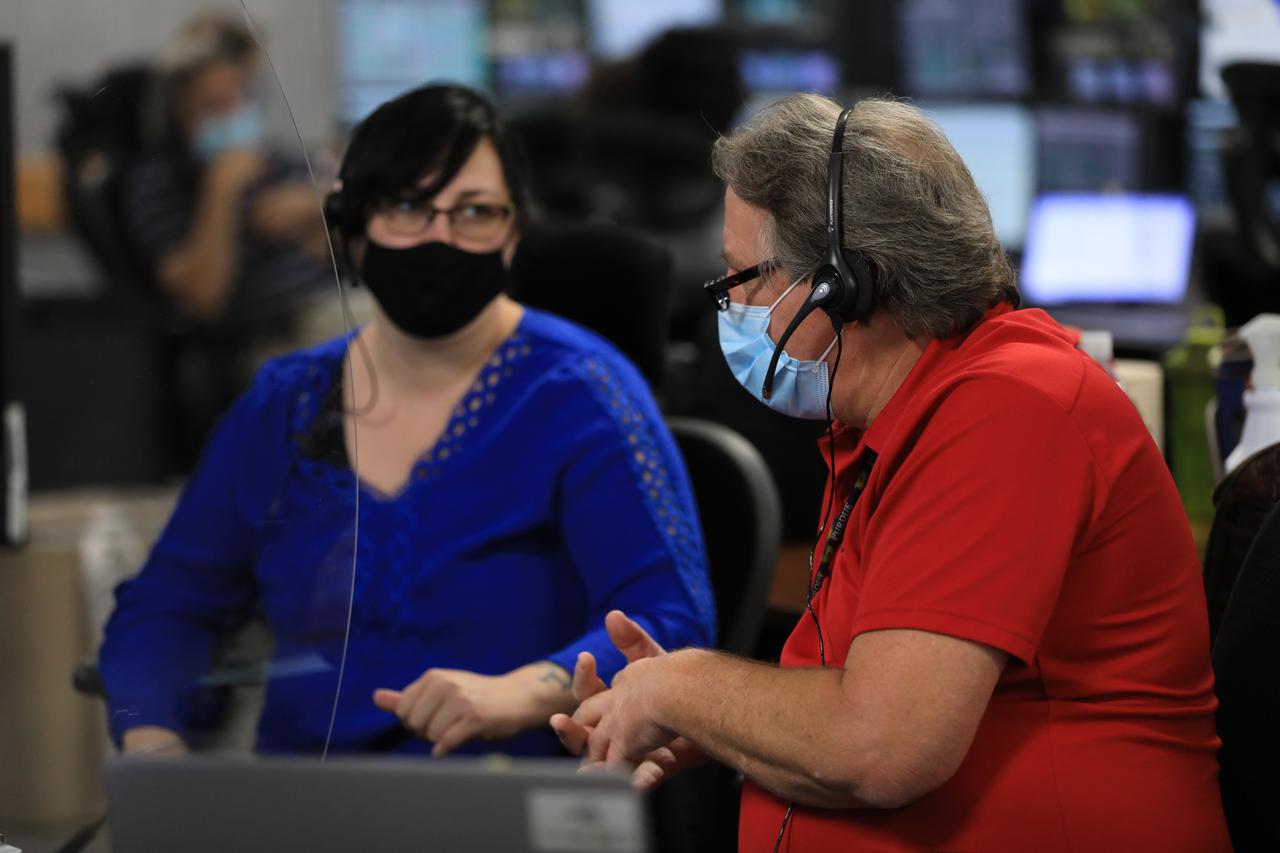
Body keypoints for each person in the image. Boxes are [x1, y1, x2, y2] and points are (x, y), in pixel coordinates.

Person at [552, 94, 1232, 852]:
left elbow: (880, 746)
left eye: (742, 278)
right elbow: (861, 703)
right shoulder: (898, 421)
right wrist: (717, 722)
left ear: (846, 282)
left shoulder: (1008, 410)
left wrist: (681, 686)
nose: (731, 306)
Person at [99, 83, 715, 759]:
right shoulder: (287, 402)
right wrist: (152, 737)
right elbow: (166, 605)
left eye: (475, 211)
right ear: (353, 229)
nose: (440, 236)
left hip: (505, 797)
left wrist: (522, 690)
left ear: (513, 236)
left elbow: (668, 621)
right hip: (303, 806)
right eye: (407, 207)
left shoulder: (583, 393)